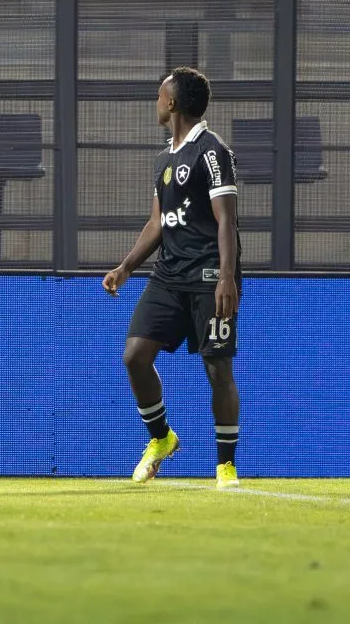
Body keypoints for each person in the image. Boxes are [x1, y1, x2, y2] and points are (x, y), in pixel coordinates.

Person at [103, 66, 242, 489]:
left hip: (208, 276)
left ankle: (225, 467)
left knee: (217, 369)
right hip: (168, 276)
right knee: (134, 357)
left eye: (161, 94)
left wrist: (226, 278)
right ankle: (162, 439)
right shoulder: (165, 156)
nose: (157, 100)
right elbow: (158, 221)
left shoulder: (213, 151)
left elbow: (226, 221)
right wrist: (127, 266)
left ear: (173, 102)